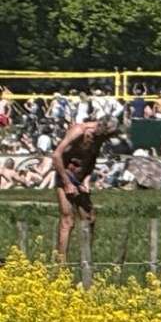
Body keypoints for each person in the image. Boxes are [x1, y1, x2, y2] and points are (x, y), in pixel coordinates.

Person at [50, 112, 118, 261]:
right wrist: (67, 183)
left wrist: (86, 180)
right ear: (100, 126)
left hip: (80, 179)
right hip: (65, 175)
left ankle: (86, 259)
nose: (106, 139)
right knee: (68, 220)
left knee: (89, 217)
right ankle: (60, 264)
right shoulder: (79, 131)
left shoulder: (100, 138)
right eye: (106, 135)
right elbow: (56, 155)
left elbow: (92, 158)